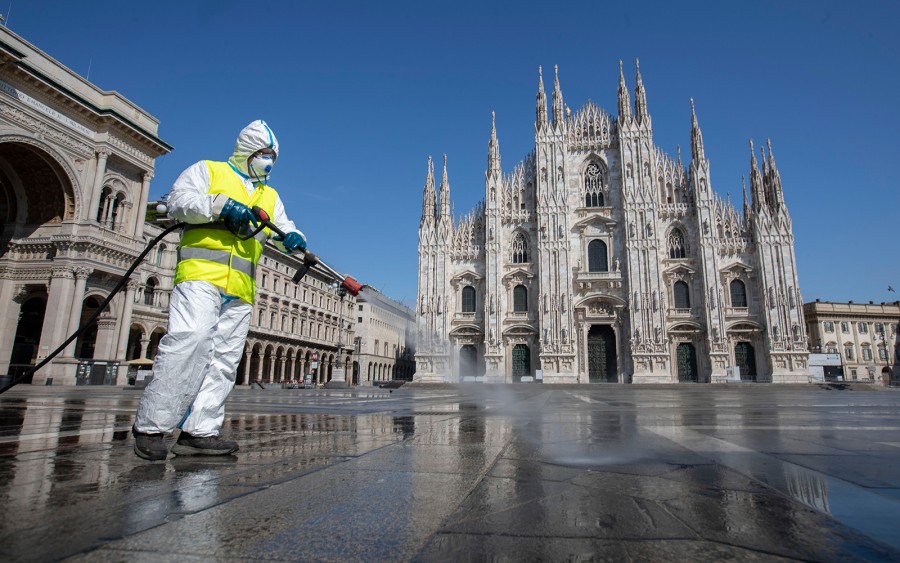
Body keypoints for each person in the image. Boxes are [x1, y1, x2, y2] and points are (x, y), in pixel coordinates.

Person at [132, 120, 307, 460]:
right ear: (247, 151)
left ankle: (200, 431)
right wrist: (219, 206)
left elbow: (283, 228)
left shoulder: (269, 195)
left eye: (272, 156)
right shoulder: (207, 171)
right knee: (190, 341)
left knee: (225, 359)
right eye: (263, 154)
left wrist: (294, 239)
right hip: (201, 276)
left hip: (241, 287)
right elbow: (178, 201)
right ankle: (152, 425)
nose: (268, 162)